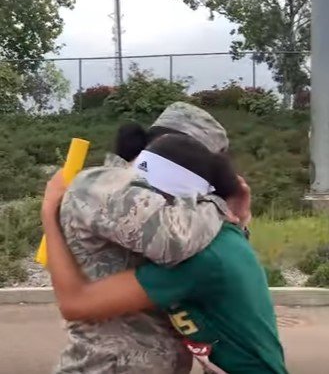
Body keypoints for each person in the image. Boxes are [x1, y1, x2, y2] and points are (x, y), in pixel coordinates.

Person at [42, 136, 287, 374]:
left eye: (143, 194)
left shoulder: (198, 258)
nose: (138, 202)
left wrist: (49, 215)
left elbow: (77, 303)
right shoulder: (223, 237)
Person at [47, 102, 237, 373]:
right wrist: (221, 203)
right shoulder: (104, 185)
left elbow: (215, 266)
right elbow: (174, 241)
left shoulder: (172, 204)